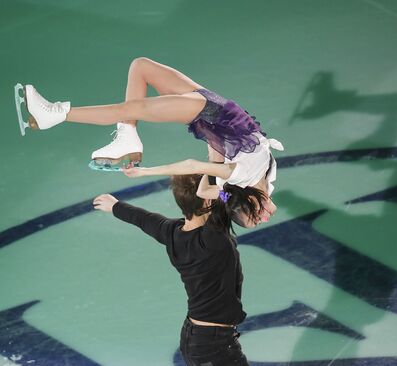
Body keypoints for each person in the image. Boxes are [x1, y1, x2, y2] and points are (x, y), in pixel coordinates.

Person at [19, 57, 283, 227]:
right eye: (258, 219)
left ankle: (54, 115)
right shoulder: (264, 180)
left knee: (129, 109)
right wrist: (217, 162)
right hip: (213, 109)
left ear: (251, 202)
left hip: (208, 112)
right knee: (141, 67)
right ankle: (127, 137)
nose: (265, 217)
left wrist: (148, 171)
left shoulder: (241, 177)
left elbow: (200, 182)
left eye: (257, 218)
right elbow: (209, 185)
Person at [93, 174, 249, 365]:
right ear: (208, 198)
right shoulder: (213, 238)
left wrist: (115, 206)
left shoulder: (173, 232)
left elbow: (144, 219)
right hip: (213, 346)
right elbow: (230, 199)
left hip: (198, 339)